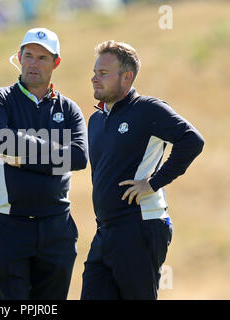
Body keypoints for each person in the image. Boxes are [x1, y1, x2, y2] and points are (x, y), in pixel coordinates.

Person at [81, 40, 205, 300]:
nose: (94, 78)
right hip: (105, 231)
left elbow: (192, 141)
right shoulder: (96, 119)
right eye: (95, 72)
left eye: (103, 73)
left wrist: (153, 182)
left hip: (140, 227)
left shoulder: (148, 109)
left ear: (126, 77)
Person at [0, 27, 88, 300]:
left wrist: (22, 153)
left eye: (42, 58)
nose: (33, 63)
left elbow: (78, 157)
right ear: (18, 57)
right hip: (11, 225)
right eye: (28, 55)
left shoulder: (69, 109)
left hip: (58, 226)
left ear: (56, 63)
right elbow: (2, 143)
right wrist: (56, 151)